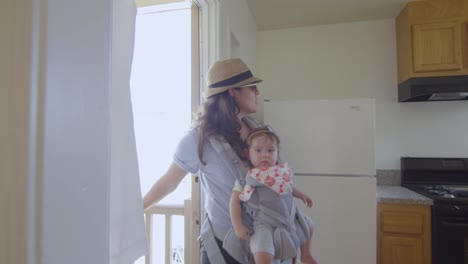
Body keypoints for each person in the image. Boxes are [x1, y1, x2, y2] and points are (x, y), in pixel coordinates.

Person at [143, 58, 266, 264]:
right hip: (226, 249)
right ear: (232, 92)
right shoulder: (198, 138)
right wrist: (137, 210)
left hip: (263, 245)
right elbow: (168, 182)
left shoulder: (256, 129)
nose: (257, 93)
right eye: (252, 87)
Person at [229, 127, 317, 264]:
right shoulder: (247, 177)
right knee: (262, 248)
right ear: (247, 154)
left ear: (277, 153)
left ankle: (306, 254)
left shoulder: (280, 172)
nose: (265, 155)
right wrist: (238, 226)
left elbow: (288, 187)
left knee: (308, 225)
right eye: (258, 151)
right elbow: (234, 202)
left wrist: (301, 195)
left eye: (270, 151)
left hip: (288, 218)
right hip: (265, 222)